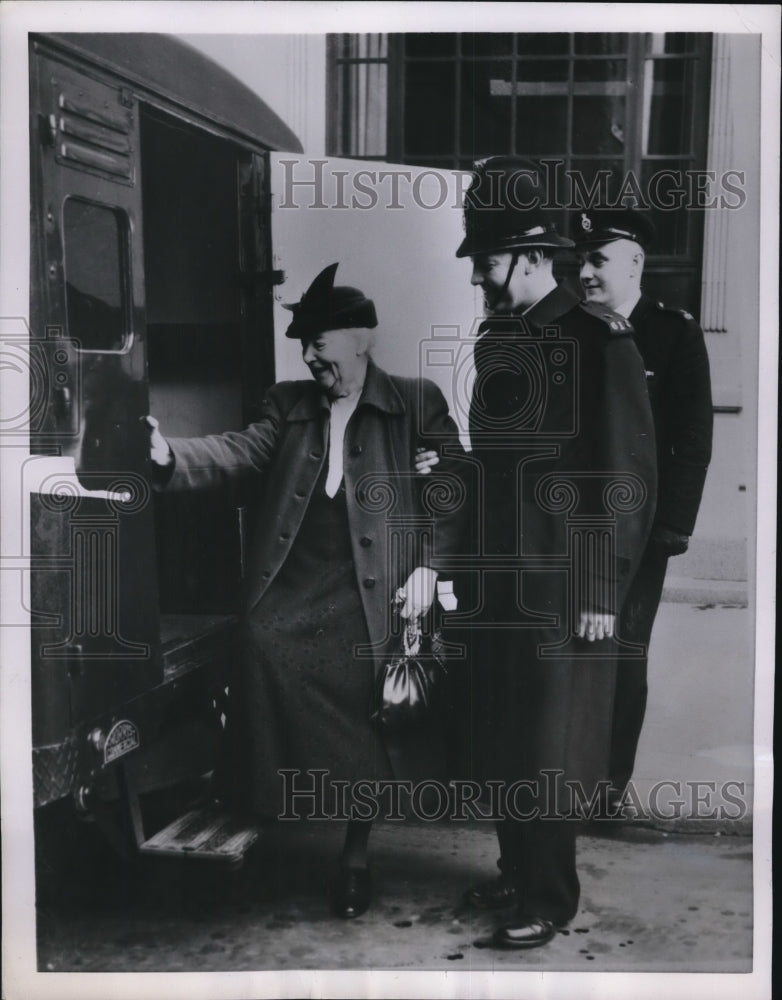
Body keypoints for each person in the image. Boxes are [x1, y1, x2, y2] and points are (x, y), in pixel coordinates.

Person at [147, 262, 468, 918]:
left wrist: (432, 569)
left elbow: (454, 489)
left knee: (360, 698)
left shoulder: (416, 401)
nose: (308, 356)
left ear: (358, 339)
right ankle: (265, 805)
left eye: (318, 342)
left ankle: (355, 851)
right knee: (261, 646)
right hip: (296, 580)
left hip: (370, 591)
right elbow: (238, 450)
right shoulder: (288, 404)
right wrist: (167, 457)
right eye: (303, 345)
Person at [419, 157, 657, 949]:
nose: (478, 278)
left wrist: (599, 589)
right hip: (499, 582)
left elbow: (621, 477)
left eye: (485, 262)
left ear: (525, 256)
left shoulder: (598, 341)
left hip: (562, 583)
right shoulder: (499, 340)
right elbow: (493, 470)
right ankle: (516, 871)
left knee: (549, 745)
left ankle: (549, 899)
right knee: (503, 733)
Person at [572, 208, 713, 807]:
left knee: (625, 654)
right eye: (580, 259)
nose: (583, 272)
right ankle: (566, 776)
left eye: (597, 259)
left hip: (641, 528)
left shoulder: (673, 332)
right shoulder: (570, 329)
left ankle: (607, 786)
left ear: (635, 263)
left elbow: (693, 438)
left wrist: (672, 527)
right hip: (573, 524)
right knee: (570, 652)